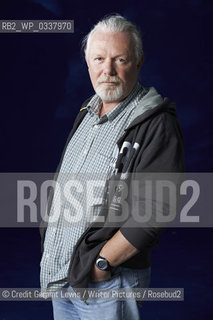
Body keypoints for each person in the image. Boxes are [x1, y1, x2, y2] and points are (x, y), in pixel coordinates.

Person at [40, 14, 185, 320]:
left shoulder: (155, 122)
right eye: (99, 59)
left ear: (138, 62)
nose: (108, 70)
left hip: (107, 283)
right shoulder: (88, 112)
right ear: (88, 63)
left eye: (120, 59)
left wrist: (102, 264)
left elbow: (156, 208)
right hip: (64, 275)